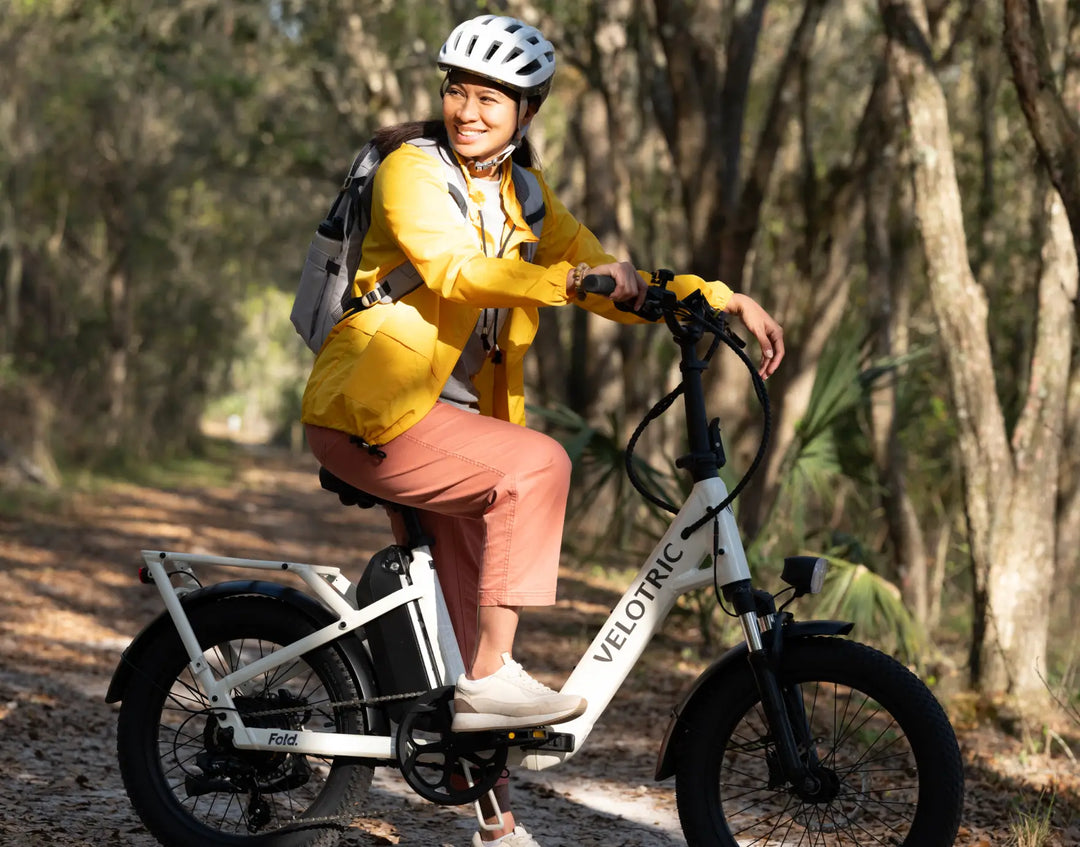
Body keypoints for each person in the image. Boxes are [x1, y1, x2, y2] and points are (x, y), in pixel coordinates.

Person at [301, 14, 785, 846]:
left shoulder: (525, 196)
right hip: (370, 408)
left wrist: (712, 296)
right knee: (536, 468)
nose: (468, 110)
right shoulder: (412, 174)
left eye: (490, 97)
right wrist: (569, 278)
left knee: (457, 622)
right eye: (458, 91)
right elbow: (458, 267)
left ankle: (495, 824)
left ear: (526, 112)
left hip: (438, 419)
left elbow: (607, 278)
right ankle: (495, 676)